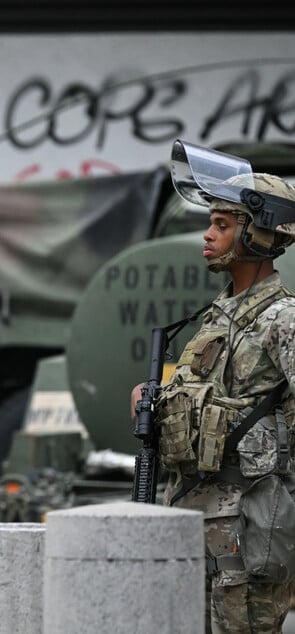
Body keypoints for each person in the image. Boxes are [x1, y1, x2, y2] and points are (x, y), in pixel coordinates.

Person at [132, 140, 295, 632]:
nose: (208, 234)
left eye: (222, 225)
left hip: (248, 534)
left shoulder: (282, 319)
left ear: (259, 234)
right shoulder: (216, 318)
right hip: (195, 520)